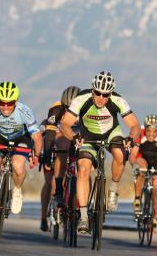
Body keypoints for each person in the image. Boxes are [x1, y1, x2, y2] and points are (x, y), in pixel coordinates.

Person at [60, 71, 140, 235]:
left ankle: (113, 189)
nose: (101, 98)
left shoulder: (118, 101)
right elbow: (65, 124)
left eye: (105, 95)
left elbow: (135, 125)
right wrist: (74, 137)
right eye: (98, 93)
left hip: (111, 133)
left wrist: (131, 138)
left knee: (119, 153)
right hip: (87, 136)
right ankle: (83, 217)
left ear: (111, 93)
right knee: (83, 169)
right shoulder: (81, 99)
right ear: (92, 90)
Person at [0, 81, 43, 224]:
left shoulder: (25, 111)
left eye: (10, 103)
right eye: (2, 103)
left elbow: (37, 137)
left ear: (16, 101)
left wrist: (36, 155)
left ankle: (17, 191)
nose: (5, 107)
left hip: (21, 137)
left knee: (17, 165)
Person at [39, 85, 81, 231]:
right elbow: (49, 135)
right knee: (50, 181)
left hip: (75, 143)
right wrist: (48, 152)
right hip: (56, 143)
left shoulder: (86, 108)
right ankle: (44, 216)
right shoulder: (55, 110)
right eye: (67, 108)